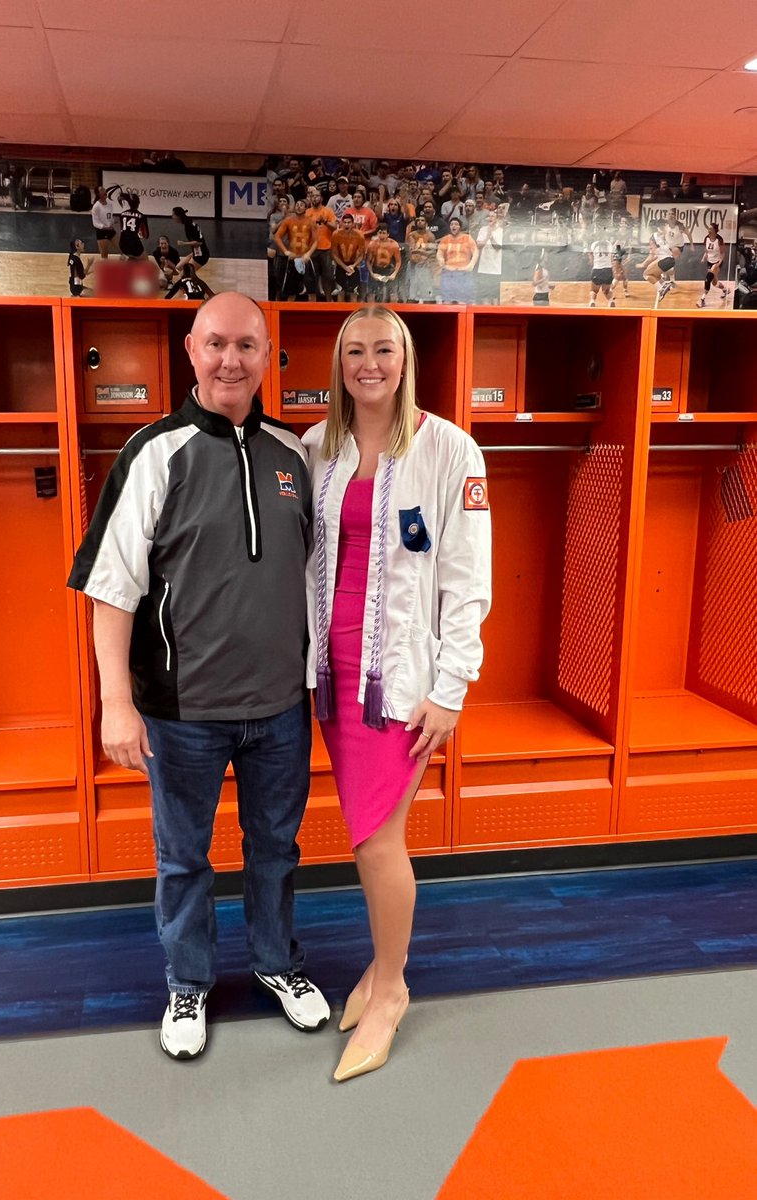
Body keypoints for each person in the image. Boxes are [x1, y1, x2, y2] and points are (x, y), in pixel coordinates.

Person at [68, 292, 330, 1061]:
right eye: (216, 343)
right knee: (183, 857)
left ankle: (278, 966)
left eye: (246, 345)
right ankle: (189, 981)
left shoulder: (295, 452)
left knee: (275, 849)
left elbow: (318, 571)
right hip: (181, 710)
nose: (230, 360)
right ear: (191, 349)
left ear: (267, 353)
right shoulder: (154, 451)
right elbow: (110, 586)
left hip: (281, 705)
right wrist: (116, 704)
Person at [303, 306, 491, 1082]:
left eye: (384, 350)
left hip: (403, 683)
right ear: (339, 361)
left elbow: (468, 581)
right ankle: (379, 970)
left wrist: (451, 691)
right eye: (355, 351)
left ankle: (393, 989)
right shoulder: (318, 446)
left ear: (405, 359)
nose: (369, 364)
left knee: (378, 840)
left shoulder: (451, 448)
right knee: (366, 838)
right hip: (332, 674)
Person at [330, 212, 365, 300]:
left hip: (353, 264)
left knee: (354, 291)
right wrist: (345, 267)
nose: (346, 224)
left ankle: (353, 312)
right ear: (341, 223)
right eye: (345, 222)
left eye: (349, 222)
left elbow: (361, 255)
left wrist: (353, 266)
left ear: (353, 224)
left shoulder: (359, 235)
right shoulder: (336, 234)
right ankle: (338, 312)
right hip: (340, 264)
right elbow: (334, 254)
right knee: (340, 290)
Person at [171, 206, 210, 275]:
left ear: (178, 216)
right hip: (197, 252)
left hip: (201, 255)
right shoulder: (189, 222)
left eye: (173, 215)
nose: (172, 217)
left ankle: (195, 284)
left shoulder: (188, 225)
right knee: (178, 267)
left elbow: (199, 242)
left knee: (185, 275)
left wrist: (183, 243)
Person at [698, 222, 729, 307]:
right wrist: (704, 257)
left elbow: (723, 253)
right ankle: (725, 290)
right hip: (709, 261)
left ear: (715, 231)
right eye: (708, 229)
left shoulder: (719, 240)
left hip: (717, 262)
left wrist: (718, 263)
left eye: (710, 229)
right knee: (714, 283)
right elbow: (706, 251)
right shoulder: (706, 238)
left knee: (707, 279)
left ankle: (702, 300)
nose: (709, 230)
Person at [117, 191, 150, 259]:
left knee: (131, 258)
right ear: (138, 203)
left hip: (122, 243)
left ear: (129, 203)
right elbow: (146, 235)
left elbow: (124, 229)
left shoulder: (122, 214)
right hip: (134, 244)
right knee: (146, 261)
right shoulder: (141, 216)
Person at [91, 186, 116, 259]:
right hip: (102, 232)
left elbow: (109, 217)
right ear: (98, 194)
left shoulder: (110, 204)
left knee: (122, 248)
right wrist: (105, 227)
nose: (104, 191)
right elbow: (95, 223)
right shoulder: (96, 207)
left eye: (104, 189)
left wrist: (113, 221)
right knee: (104, 255)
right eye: (101, 190)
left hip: (110, 230)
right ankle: (104, 269)